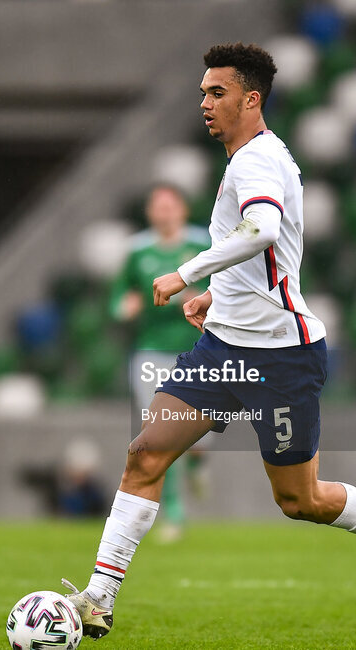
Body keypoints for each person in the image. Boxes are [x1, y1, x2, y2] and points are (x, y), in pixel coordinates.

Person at [62, 43, 356, 640]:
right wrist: (221, 295)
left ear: (251, 98)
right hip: (223, 349)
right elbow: (275, 253)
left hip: (282, 360)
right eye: (202, 93)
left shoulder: (255, 163)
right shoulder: (255, 158)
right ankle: (99, 598)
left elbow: (263, 229)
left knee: (300, 500)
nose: (205, 104)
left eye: (217, 93)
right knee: (145, 455)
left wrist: (186, 273)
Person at [109, 184, 211, 542]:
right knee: (158, 434)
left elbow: (224, 281)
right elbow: (119, 296)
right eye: (158, 207)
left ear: (182, 209)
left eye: (170, 205)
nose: (164, 212)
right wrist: (124, 306)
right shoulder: (137, 250)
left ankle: (199, 460)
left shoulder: (203, 241)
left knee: (194, 436)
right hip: (151, 352)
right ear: (150, 213)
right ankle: (174, 513)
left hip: (197, 349)